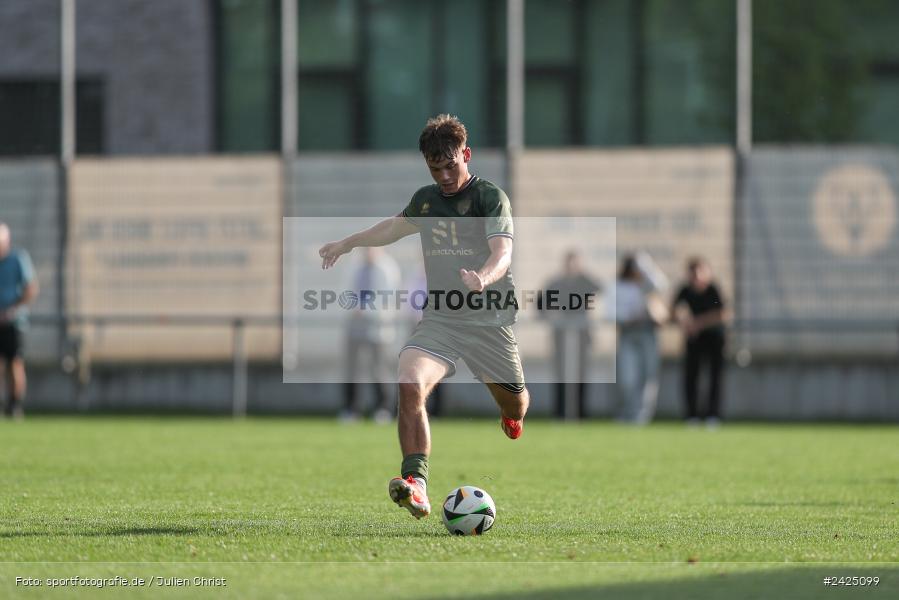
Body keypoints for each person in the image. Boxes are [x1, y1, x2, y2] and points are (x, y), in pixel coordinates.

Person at [319, 114, 530, 520]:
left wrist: (482, 278)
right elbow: (392, 229)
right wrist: (348, 243)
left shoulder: (490, 198)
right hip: (442, 321)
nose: (446, 176)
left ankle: (510, 414)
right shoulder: (426, 200)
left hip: (489, 321)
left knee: (517, 407)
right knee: (409, 382)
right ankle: (416, 483)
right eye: (436, 169)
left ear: (465, 155)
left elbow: (502, 252)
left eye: (451, 165)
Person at [538, 250, 602, 419]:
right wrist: (552, 315)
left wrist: (582, 274)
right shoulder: (556, 283)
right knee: (561, 374)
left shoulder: (584, 282)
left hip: (581, 335)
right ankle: (560, 412)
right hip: (561, 335)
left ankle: (580, 413)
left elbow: (600, 288)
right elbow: (541, 305)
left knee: (580, 374)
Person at [341, 247, 400, 424]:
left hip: (378, 327)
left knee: (378, 369)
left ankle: (383, 409)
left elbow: (387, 297)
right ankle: (351, 409)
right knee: (352, 370)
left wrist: (365, 310)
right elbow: (345, 291)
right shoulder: (354, 267)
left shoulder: (387, 268)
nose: (368, 252)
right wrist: (353, 308)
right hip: (355, 325)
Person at [672, 257, 727, 427]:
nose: (696, 276)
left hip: (714, 339)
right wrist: (684, 321)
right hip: (694, 340)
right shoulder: (685, 290)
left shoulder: (713, 290)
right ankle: (692, 415)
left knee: (714, 378)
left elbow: (722, 314)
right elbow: (674, 311)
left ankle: (712, 415)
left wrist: (698, 323)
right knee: (691, 377)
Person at [614, 252, 668, 424]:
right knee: (627, 378)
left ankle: (642, 416)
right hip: (628, 334)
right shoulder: (620, 286)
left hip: (648, 332)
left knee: (648, 376)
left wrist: (645, 264)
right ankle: (627, 412)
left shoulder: (647, 285)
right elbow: (613, 311)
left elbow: (662, 285)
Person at [0, 223, 39, 419]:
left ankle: (15, 405)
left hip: (14, 321)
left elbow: (30, 288)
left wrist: (12, 310)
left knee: (14, 362)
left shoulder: (18, 259)